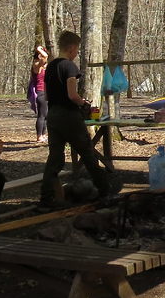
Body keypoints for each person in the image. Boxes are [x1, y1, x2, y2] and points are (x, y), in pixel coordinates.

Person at [40, 30, 115, 211]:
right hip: (69, 115)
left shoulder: (50, 67)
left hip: (53, 115)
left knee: (55, 157)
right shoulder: (69, 67)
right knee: (87, 152)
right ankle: (105, 189)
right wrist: (84, 104)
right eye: (77, 49)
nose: (77, 53)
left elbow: (47, 95)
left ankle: (46, 197)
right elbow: (72, 95)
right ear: (72, 49)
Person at [27, 45, 49, 143]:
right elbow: (45, 58)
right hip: (40, 93)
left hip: (45, 93)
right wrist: (39, 49)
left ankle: (43, 134)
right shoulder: (36, 66)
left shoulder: (42, 67)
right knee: (41, 115)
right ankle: (39, 135)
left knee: (45, 115)